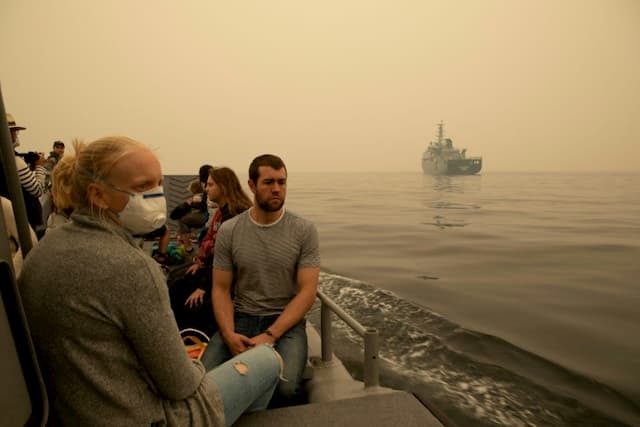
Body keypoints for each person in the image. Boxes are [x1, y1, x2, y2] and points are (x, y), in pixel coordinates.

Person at [18, 137, 283, 426]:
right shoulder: (132, 266)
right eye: (143, 187)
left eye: (158, 184)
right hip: (143, 417)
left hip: (76, 409)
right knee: (267, 359)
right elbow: (180, 385)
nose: (157, 195)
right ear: (98, 195)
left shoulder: (45, 248)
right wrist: (193, 366)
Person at [201, 154, 321, 407]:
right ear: (252, 185)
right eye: (269, 182)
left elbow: (307, 291)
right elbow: (221, 289)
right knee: (203, 381)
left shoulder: (304, 230)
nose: (277, 188)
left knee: (285, 388)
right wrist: (228, 333)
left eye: (282, 182)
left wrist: (270, 335)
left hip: (285, 323)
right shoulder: (230, 230)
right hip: (242, 317)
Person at [170, 167, 252, 336]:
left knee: (188, 301)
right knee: (176, 283)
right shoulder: (223, 212)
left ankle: (193, 336)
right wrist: (200, 264)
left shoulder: (235, 215)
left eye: (210, 185)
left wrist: (203, 287)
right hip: (216, 269)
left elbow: (225, 256)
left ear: (223, 186)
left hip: (233, 280)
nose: (206, 189)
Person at [7, 113, 46, 232]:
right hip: (22, 222)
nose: (16, 135)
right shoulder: (15, 161)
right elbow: (37, 190)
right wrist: (39, 167)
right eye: (14, 131)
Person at [173, 164, 212, 252]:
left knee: (182, 219)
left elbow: (205, 205)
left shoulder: (206, 185)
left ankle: (188, 247)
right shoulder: (210, 184)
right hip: (208, 212)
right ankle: (183, 237)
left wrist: (193, 203)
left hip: (208, 215)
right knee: (186, 215)